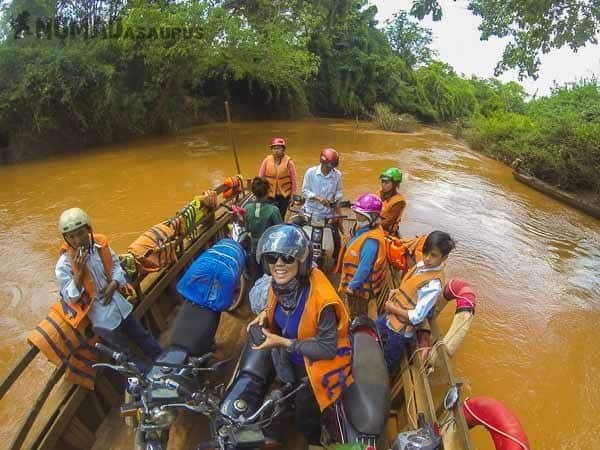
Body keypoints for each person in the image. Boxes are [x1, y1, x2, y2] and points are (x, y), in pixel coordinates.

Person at [246, 224, 353, 446]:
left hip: (318, 366)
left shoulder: (321, 300)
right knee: (291, 391)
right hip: (293, 357)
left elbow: (326, 349)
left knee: (307, 415)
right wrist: (265, 315)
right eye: (272, 257)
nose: (279, 264)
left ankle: (314, 438)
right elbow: (277, 307)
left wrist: (282, 342)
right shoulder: (279, 287)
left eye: (287, 258)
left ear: (301, 262)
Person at [55, 208, 162, 360]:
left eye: (80, 233)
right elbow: (70, 298)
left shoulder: (100, 246)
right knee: (123, 355)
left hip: (120, 305)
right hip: (102, 318)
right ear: (66, 239)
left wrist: (114, 284)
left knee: (142, 336)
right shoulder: (64, 265)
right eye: (71, 237)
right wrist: (78, 274)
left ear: (89, 230)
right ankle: (142, 381)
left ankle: (164, 361)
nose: (77, 240)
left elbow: (116, 266)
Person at [375, 231, 455, 372]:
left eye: (433, 255)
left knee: (388, 361)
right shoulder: (421, 266)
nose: (427, 258)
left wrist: (393, 309)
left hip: (400, 331)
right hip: (391, 318)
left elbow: (417, 316)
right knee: (373, 333)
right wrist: (397, 291)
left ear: (444, 257)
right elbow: (411, 287)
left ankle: (382, 377)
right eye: (425, 253)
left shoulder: (433, 284)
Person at [336, 194, 388, 319]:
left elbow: (365, 268)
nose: (357, 216)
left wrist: (351, 286)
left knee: (357, 312)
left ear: (372, 217)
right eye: (357, 213)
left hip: (359, 287)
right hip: (354, 279)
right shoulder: (361, 228)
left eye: (361, 214)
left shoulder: (371, 241)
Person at [245, 177, 283, 282]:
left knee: (256, 274)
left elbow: (247, 228)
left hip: (254, 248)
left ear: (254, 193)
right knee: (269, 274)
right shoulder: (273, 210)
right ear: (267, 193)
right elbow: (279, 230)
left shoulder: (247, 208)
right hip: (268, 248)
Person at [258, 137, 298, 219]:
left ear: (283, 149)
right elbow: (260, 177)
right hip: (269, 195)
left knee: (280, 216)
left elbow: (294, 180)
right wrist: (259, 194)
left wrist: (293, 196)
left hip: (283, 196)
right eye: (274, 148)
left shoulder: (289, 162)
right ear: (271, 150)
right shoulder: (266, 161)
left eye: (279, 148)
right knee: (268, 216)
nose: (276, 151)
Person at [301, 148, 343, 219]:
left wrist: (336, 199)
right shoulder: (310, 172)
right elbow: (305, 191)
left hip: (328, 214)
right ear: (322, 162)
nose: (331, 169)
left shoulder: (337, 175)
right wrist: (318, 198)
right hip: (310, 211)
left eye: (333, 166)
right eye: (329, 166)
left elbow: (339, 191)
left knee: (336, 228)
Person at [378, 167, 407, 236]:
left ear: (395, 184)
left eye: (387, 183)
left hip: (385, 231)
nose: (383, 185)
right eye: (382, 181)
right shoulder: (379, 192)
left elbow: (389, 221)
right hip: (375, 222)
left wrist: (370, 226)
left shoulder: (399, 202)